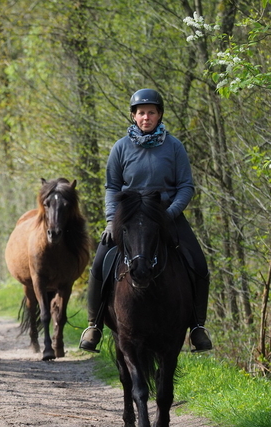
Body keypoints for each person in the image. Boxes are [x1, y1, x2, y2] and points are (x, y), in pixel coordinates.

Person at [79, 88, 213, 353]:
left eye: (151, 112)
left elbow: (186, 186)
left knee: (198, 263)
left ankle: (198, 327)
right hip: (128, 218)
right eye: (141, 113)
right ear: (133, 116)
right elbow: (111, 186)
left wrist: (170, 213)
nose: (146, 117)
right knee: (99, 264)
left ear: (160, 115)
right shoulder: (120, 148)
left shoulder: (174, 147)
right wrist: (110, 221)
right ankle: (94, 325)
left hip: (166, 215)